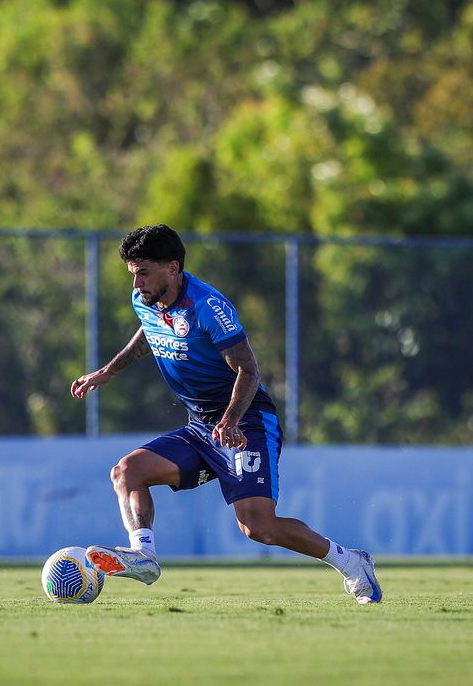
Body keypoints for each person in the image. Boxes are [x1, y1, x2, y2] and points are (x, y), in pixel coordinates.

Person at [71, 224, 382, 604]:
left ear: (173, 267)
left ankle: (353, 563)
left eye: (144, 272)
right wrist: (107, 372)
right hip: (200, 427)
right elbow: (148, 333)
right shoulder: (145, 298)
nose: (137, 283)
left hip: (247, 422)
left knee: (259, 527)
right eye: (133, 273)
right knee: (126, 471)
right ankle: (144, 556)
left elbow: (248, 370)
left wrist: (231, 420)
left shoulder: (209, 306)